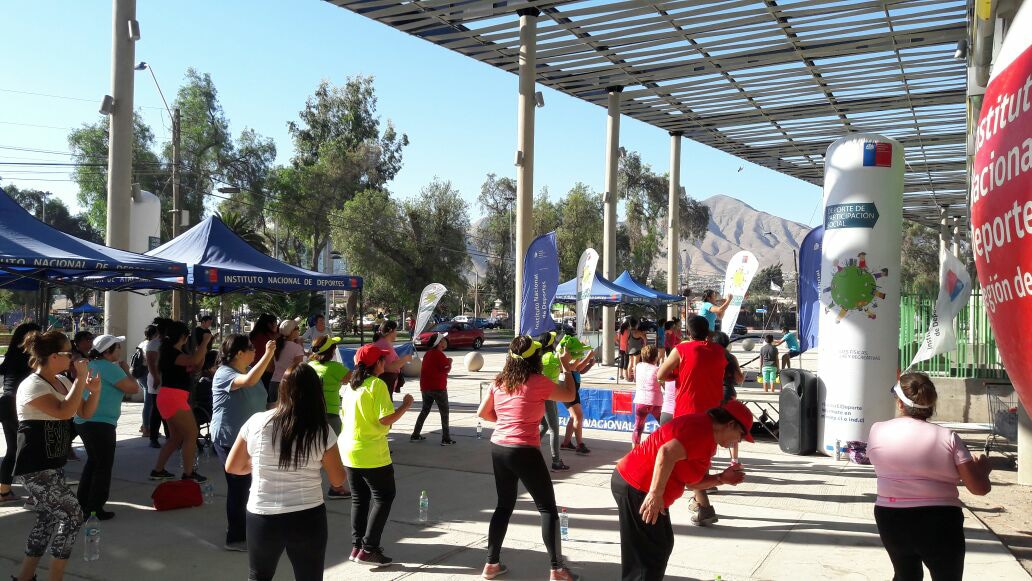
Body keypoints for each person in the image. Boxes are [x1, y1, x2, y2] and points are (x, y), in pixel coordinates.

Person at [478, 336, 592, 581]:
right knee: (547, 508)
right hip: (524, 450)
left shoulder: (499, 381)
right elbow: (569, 394)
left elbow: (483, 413)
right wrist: (566, 367)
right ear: (533, 359)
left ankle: (491, 563)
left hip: (499, 447)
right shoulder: (538, 382)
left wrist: (507, 423)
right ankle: (557, 569)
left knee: (503, 505)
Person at [225, 364, 348, 581]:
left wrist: (259, 464)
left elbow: (233, 466)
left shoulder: (257, 422)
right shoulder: (321, 430)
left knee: (258, 576)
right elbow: (338, 480)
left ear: (282, 389)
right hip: (307, 514)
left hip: (262, 513)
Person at [868, 373, 992, 581]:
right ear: (931, 404)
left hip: (891, 517)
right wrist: (984, 470)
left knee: (905, 576)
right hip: (940, 520)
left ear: (900, 403)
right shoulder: (948, 437)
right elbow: (979, 489)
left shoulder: (877, 430)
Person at [611, 401, 753, 581]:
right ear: (730, 424)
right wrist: (655, 494)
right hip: (637, 487)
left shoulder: (708, 437)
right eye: (741, 435)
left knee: (660, 546)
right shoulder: (701, 431)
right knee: (648, 557)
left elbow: (692, 483)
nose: (738, 441)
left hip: (641, 488)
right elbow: (666, 453)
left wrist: (721, 478)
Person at [12, 330, 101, 581]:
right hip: (35, 466)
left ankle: (25, 577)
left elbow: (84, 412)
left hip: (53, 464)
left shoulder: (63, 381)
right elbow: (63, 411)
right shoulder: (32, 385)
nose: (73, 357)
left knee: (47, 519)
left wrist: (93, 390)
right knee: (73, 515)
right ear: (53, 357)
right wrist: (80, 379)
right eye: (68, 353)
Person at [338, 343, 415, 566]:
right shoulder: (376, 385)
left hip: (350, 450)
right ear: (377, 364)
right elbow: (385, 419)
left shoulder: (351, 386)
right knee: (384, 496)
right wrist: (405, 406)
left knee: (359, 499)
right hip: (371, 452)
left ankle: (357, 546)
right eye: (383, 359)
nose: (386, 362)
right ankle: (369, 548)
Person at [656, 315, 728, 525]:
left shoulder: (682, 349)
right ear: (708, 331)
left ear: (688, 332)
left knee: (688, 463)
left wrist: (677, 373)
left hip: (688, 413)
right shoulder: (719, 351)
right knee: (701, 458)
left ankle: (705, 507)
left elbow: (661, 373)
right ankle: (698, 500)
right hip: (714, 415)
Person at [211, 334, 277, 552]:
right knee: (239, 487)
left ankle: (248, 529)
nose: (255, 351)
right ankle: (235, 538)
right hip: (229, 439)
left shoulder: (248, 372)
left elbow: (262, 403)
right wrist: (268, 354)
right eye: (251, 348)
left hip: (252, 439)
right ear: (239, 353)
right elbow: (248, 381)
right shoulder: (224, 373)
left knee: (252, 486)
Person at [77, 335, 139, 520]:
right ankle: (95, 508)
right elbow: (133, 388)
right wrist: (127, 370)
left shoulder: (92, 365)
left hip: (86, 421)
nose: (120, 350)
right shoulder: (109, 368)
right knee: (102, 466)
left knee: (94, 462)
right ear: (107, 351)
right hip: (100, 422)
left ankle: (83, 503)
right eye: (117, 347)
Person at [151, 320, 212, 483]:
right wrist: (204, 342)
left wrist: (203, 348)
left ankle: (158, 470)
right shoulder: (171, 353)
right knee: (191, 434)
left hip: (171, 397)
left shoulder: (177, 352)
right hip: (173, 397)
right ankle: (188, 473)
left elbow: (197, 365)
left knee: (176, 437)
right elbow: (194, 360)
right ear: (183, 336)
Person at [0, 322, 41, 503]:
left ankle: (4, 492)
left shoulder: (11, 356)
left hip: (5, 404)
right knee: (31, 450)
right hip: (21, 406)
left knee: (13, 450)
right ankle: (35, 495)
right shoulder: (32, 357)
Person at [308, 335, 352, 500]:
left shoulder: (310, 366)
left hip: (312, 412)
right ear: (331, 352)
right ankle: (336, 487)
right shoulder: (335, 368)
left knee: (313, 449)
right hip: (330, 414)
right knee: (334, 450)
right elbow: (351, 378)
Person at [410, 333, 454, 445]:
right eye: (443, 339)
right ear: (439, 343)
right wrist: (449, 362)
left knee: (425, 410)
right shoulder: (439, 354)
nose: (445, 341)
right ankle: (446, 438)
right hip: (438, 387)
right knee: (444, 413)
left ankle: (415, 434)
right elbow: (446, 369)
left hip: (425, 387)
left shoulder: (428, 354)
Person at [537, 331, 569, 472]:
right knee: (554, 429)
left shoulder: (541, 356)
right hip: (548, 396)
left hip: (542, 394)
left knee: (544, 426)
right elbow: (568, 364)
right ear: (551, 343)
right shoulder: (550, 357)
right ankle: (556, 461)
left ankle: (527, 449)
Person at [712, 332, 745, 463]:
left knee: (712, 425)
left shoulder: (710, 355)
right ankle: (734, 460)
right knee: (732, 426)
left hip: (713, 393)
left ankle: (709, 457)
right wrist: (742, 374)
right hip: (729, 393)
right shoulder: (731, 358)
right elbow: (739, 379)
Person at [559, 334, 593, 456]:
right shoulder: (565, 360)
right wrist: (586, 355)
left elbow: (579, 369)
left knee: (574, 416)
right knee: (578, 415)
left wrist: (589, 361)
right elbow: (574, 367)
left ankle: (566, 442)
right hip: (568, 390)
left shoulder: (571, 360)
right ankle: (580, 444)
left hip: (572, 391)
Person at [631, 346, 663, 448]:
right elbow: (664, 385)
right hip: (655, 402)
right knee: (665, 425)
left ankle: (634, 451)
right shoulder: (658, 370)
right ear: (656, 357)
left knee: (638, 427)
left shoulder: (638, 366)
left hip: (640, 401)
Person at [371, 321, 414, 393]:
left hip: (384, 381)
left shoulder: (382, 342)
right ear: (391, 331)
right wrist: (405, 359)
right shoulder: (385, 345)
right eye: (396, 330)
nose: (397, 333)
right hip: (385, 381)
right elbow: (388, 367)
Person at [270, 319, 305, 407]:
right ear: (291, 332)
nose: (298, 330)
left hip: (274, 383)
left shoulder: (276, 345)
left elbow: (271, 367)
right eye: (297, 328)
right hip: (288, 385)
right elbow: (298, 370)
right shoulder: (297, 348)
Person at [144, 321, 167, 448]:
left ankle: (169, 435)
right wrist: (156, 377)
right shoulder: (153, 343)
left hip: (166, 380)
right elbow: (151, 363)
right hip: (157, 380)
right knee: (157, 410)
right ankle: (153, 437)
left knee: (165, 410)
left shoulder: (166, 342)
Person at [250, 314, 279, 394]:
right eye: (275, 324)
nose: (276, 326)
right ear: (269, 324)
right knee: (265, 394)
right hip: (265, 369)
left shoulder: (254, 334)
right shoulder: (269, 336)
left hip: (252, 367)